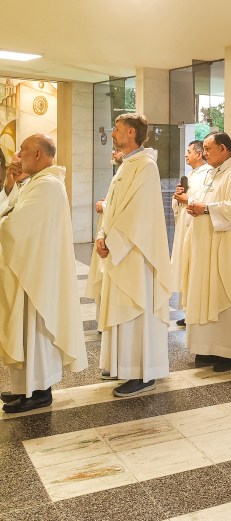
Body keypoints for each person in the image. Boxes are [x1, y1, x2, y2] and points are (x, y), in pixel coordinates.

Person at [0, 134, 87, 413]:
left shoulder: (48, 185)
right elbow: (13, 210)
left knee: (34, 333)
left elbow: (16, 225)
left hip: (35, 275)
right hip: (28, 269)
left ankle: (38, 392)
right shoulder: (37, 182)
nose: (18, 156)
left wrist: (5, 219)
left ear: (37, 154)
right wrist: (11, 185)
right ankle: (24, 388)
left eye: (22, 150)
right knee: (25, 332)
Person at [87, 113, 171, 397]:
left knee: (136, 308)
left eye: (117, 129)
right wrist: (102, 235)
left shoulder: (146, 166)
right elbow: (112, 207)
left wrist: (112, 240)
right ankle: (121, 364)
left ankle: (143, 372)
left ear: (132, 132)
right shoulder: (127, 164)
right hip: (119, 249)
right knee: (120, 307)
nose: (113, 134)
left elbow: (139, 213)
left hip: (136, 252)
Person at [181, 131, 231, 372]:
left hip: (228, 245)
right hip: (204, 244)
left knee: (228, 293)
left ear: (224, 149)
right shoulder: (211, 173)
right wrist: (193, 205)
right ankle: (207, 347)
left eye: (208, 149)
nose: (204, 153)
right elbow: (200, 201)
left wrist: (206, 209)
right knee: (204, 293)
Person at [172, 142, 210, 326]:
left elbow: (205, 201)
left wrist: (188, 199)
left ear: (199, 154)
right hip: (184, 227)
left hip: (195, 227)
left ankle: (195, 311)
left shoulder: (208, 174)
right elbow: (182, 202)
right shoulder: (191, 174)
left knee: (194, 269)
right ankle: (189, 311)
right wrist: (178, 197)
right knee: (185, 269)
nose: (186, 155)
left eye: (189, 152)